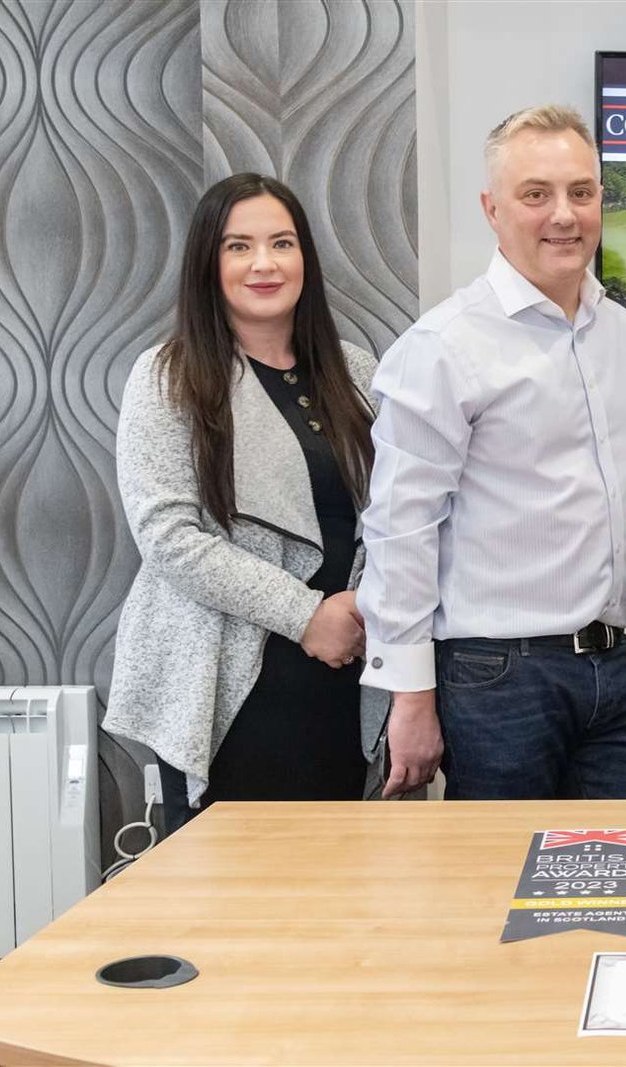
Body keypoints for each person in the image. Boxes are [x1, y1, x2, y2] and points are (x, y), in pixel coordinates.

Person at [357, 105, 626, 801]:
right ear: (492, 209)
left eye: (581, 192)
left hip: (613, 668)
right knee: (503, 892)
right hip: (493, 677)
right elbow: (399, 529)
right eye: (536, 194)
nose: (564, 214)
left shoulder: (620, 333)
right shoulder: (443, 347)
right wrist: (409, 695)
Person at [105, 173, 387, 826]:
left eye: (282, 243)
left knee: (352, 898)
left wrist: (365, 607)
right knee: (231, 911)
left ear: (306, 260)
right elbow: (169, 536)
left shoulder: (359, 374)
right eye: (239, 246)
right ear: (209, 261)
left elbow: (401, 518)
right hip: (230, 684)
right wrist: (307, 613)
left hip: (351, 676)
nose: (264, 263)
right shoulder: (170, 374)